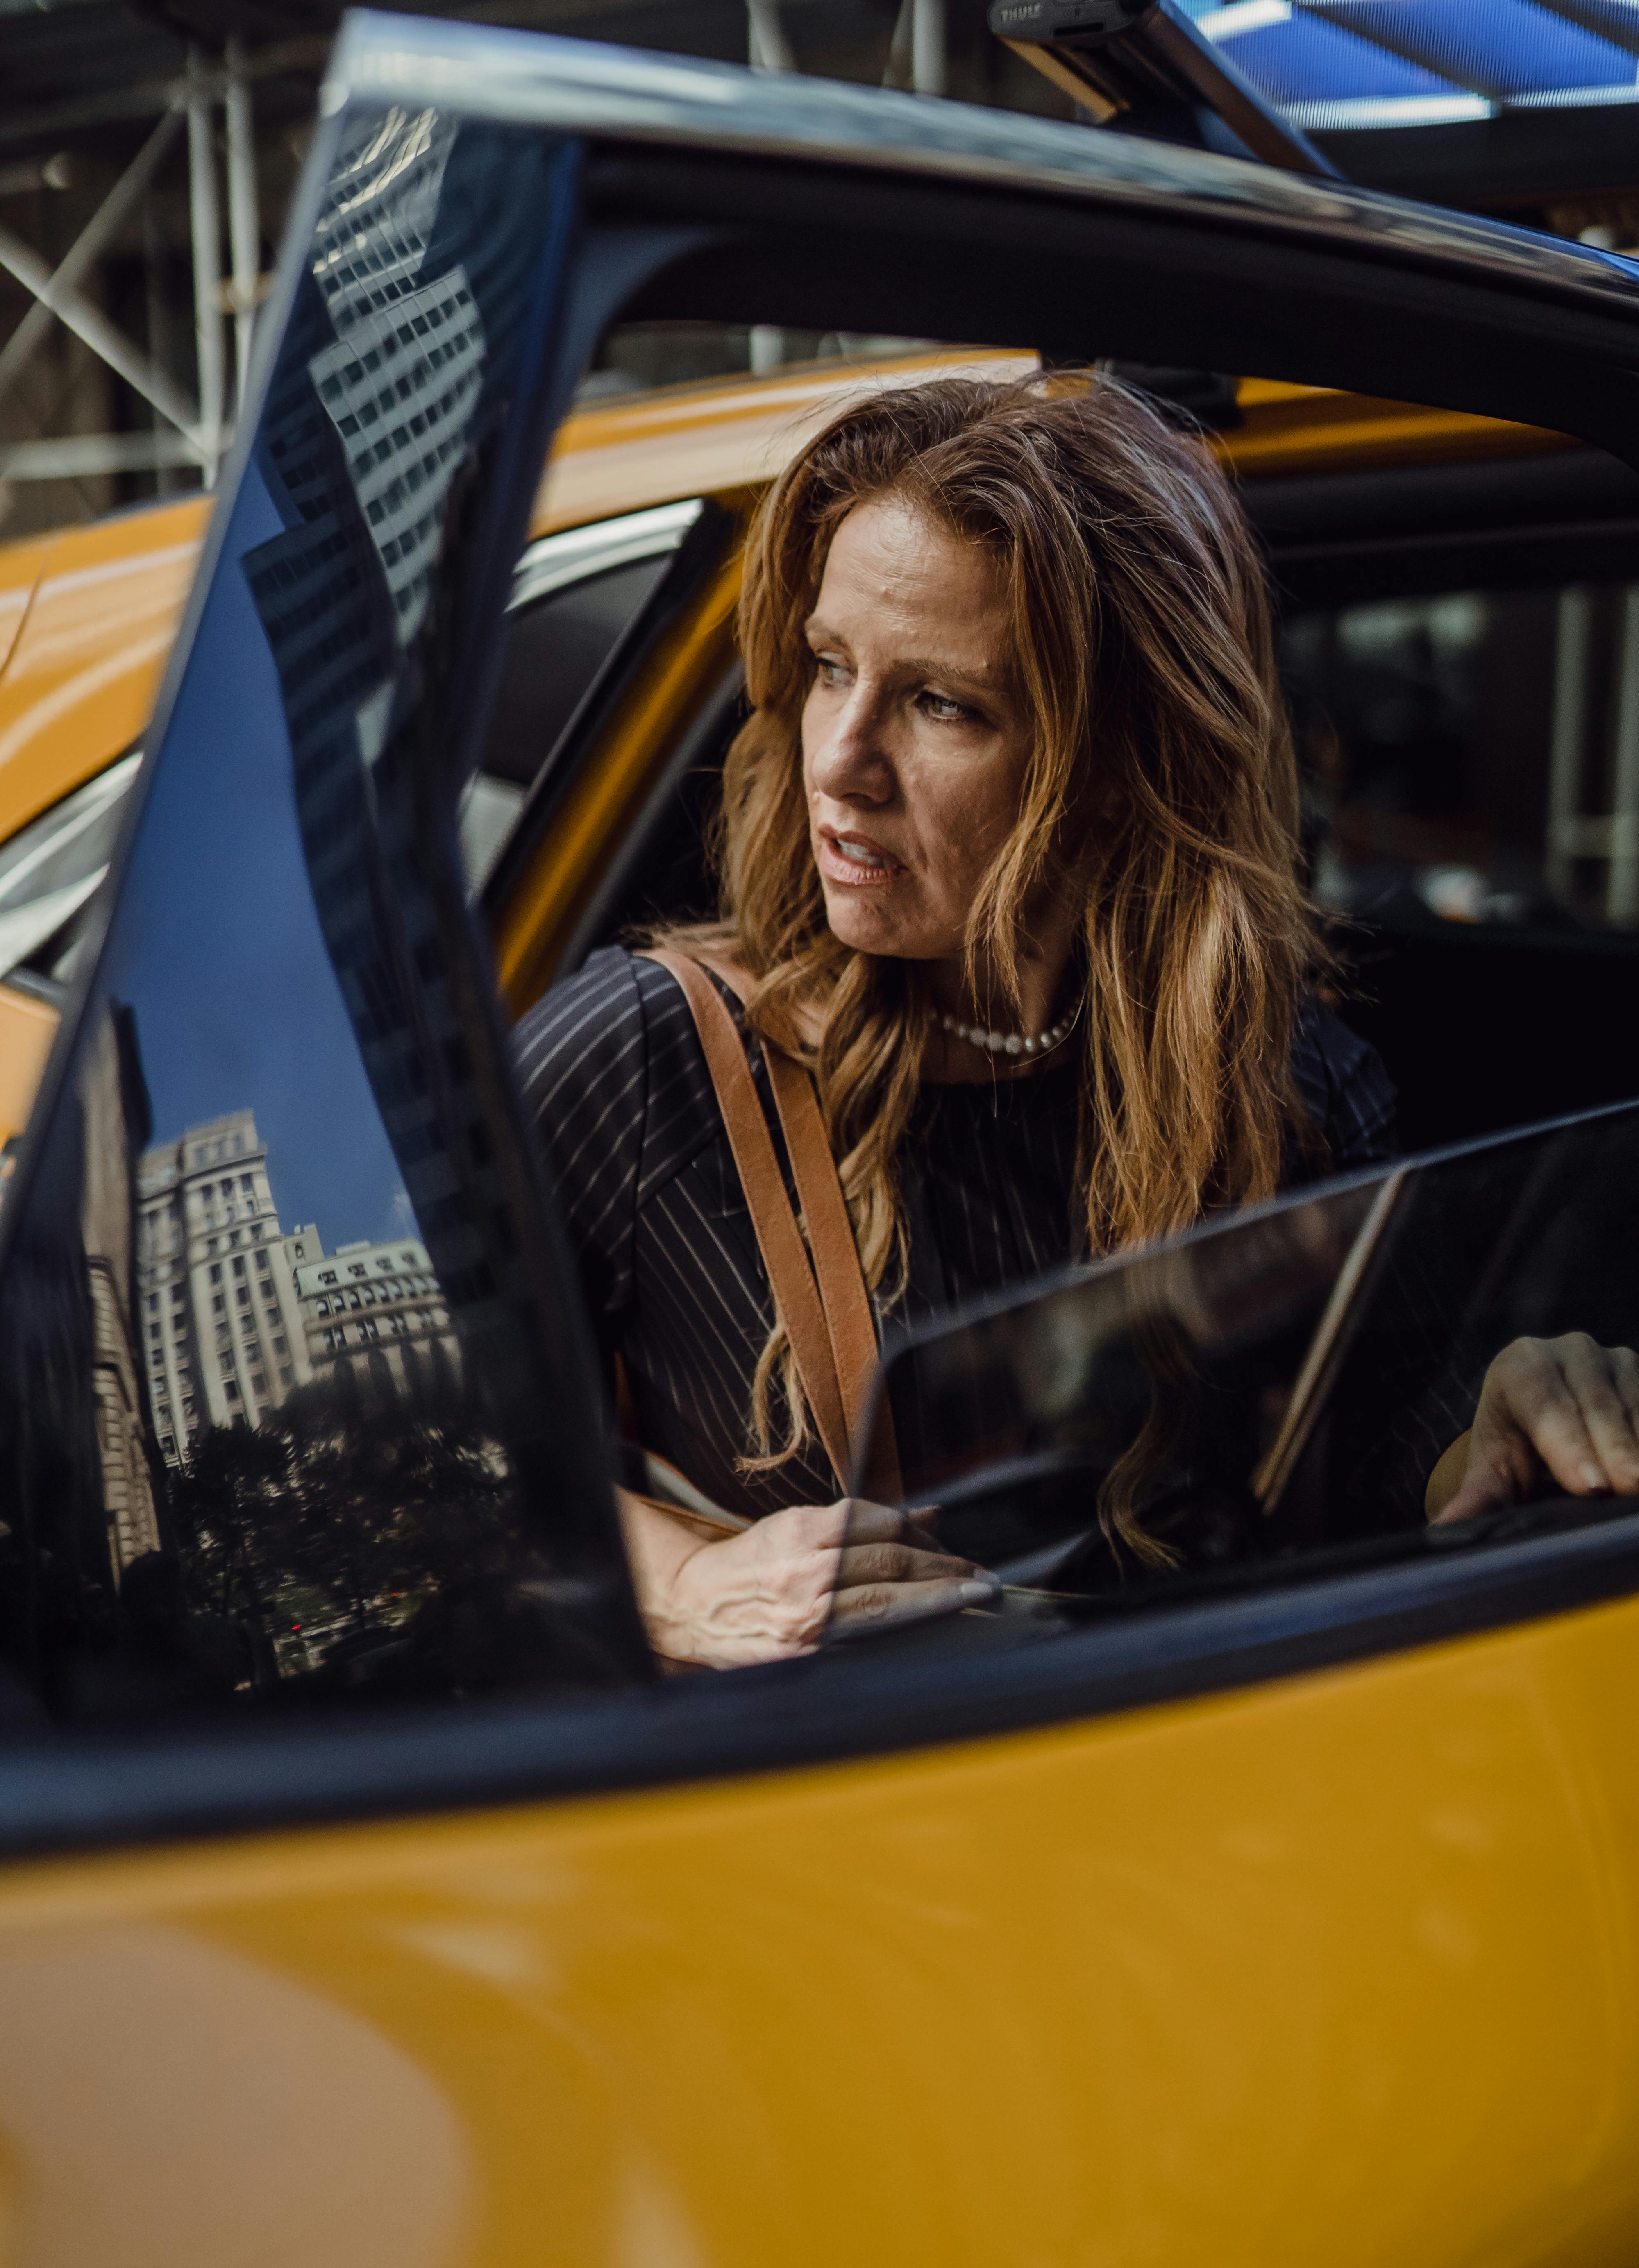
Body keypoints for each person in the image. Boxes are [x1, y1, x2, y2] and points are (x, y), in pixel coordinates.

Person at [515, 372, 1633, 1669]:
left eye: (943, 704)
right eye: (830, 669)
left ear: (1119, 767)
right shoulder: (645, 1058)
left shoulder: (1298, 1088)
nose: (839, 759)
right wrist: (686, 1586)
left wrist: (1508, 1426)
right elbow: (363, 1461)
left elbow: (1388, 1484)